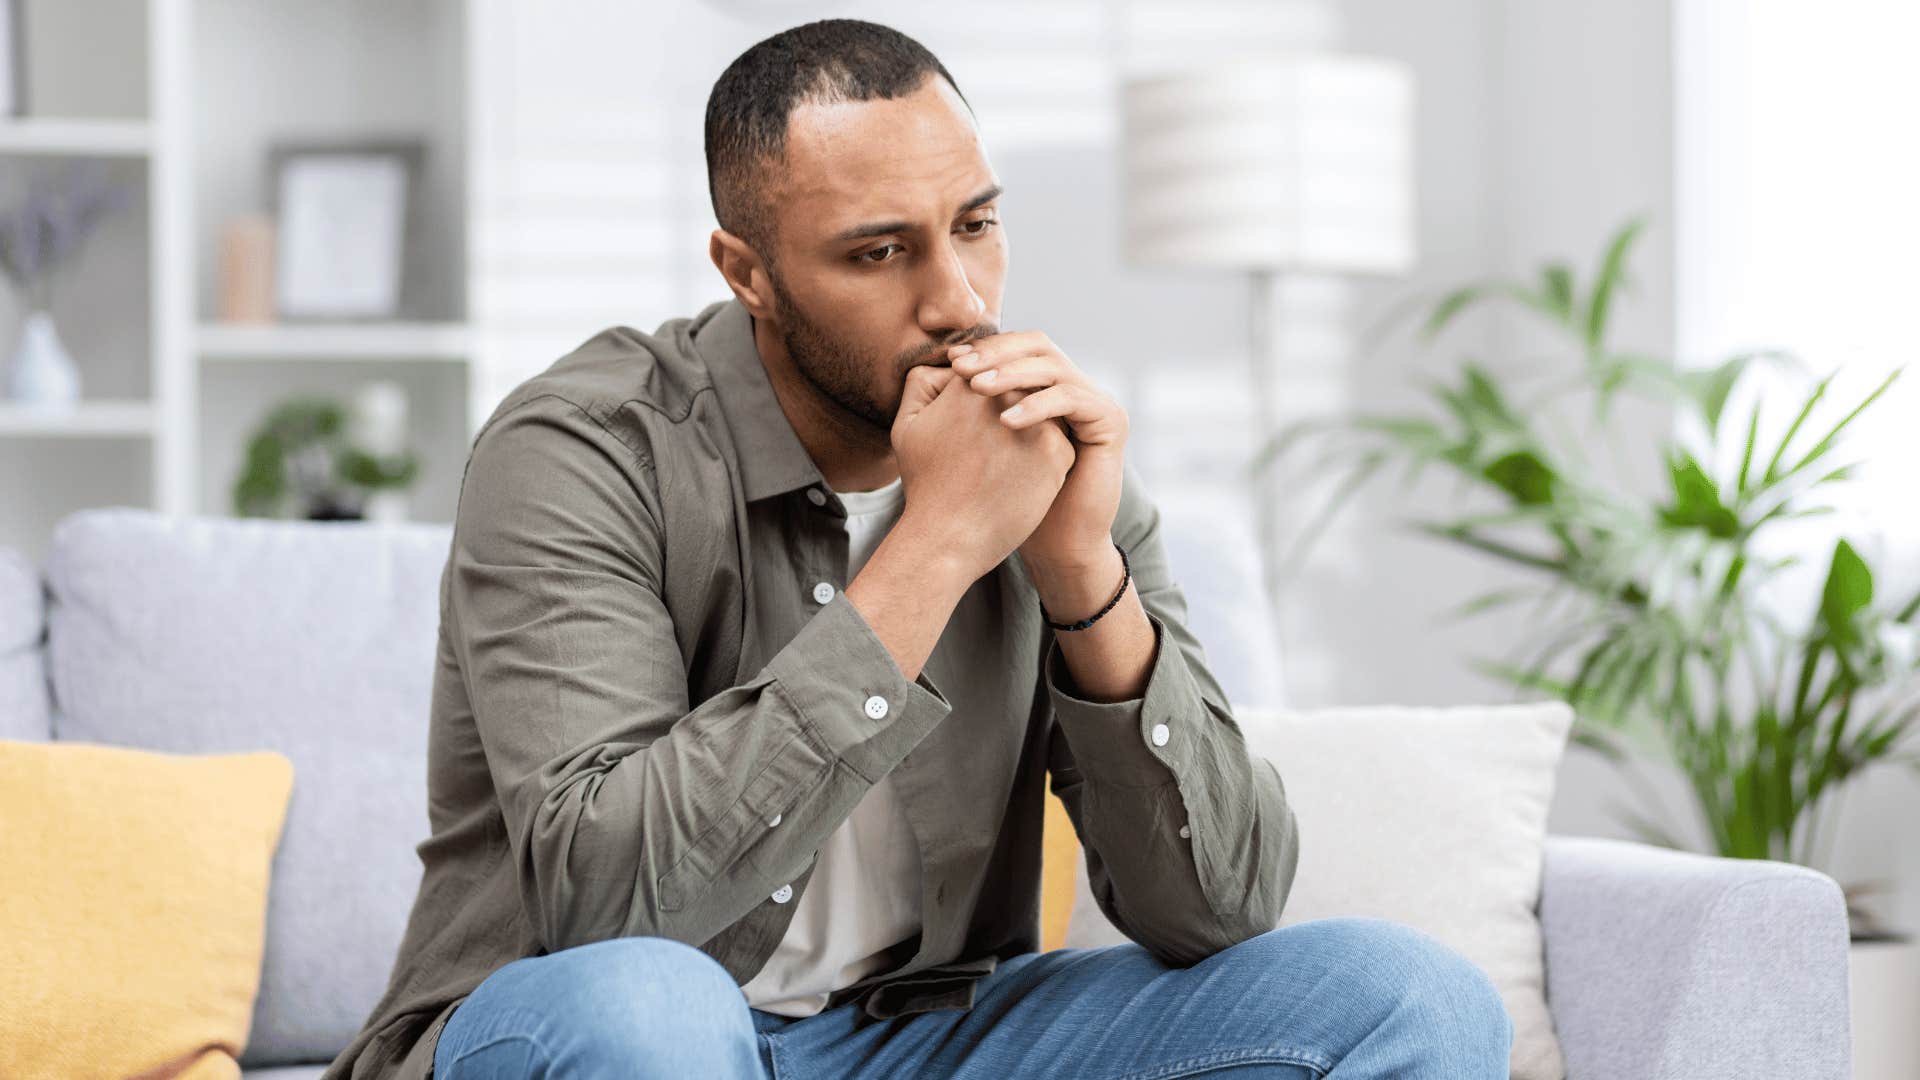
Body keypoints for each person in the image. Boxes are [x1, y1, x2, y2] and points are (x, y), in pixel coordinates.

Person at [322, 17, 1514, 1080]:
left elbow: (1223, 912)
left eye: (977, 225)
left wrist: (1083, 578)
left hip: (926, 1035)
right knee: (655, 1011)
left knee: (1413, 1002)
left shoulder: (1049, 459)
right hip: (595, 1027)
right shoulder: (585, 449)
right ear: (749, 274)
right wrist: (938, 544)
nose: (960, 299)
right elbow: (612, 905)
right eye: (879, 252)